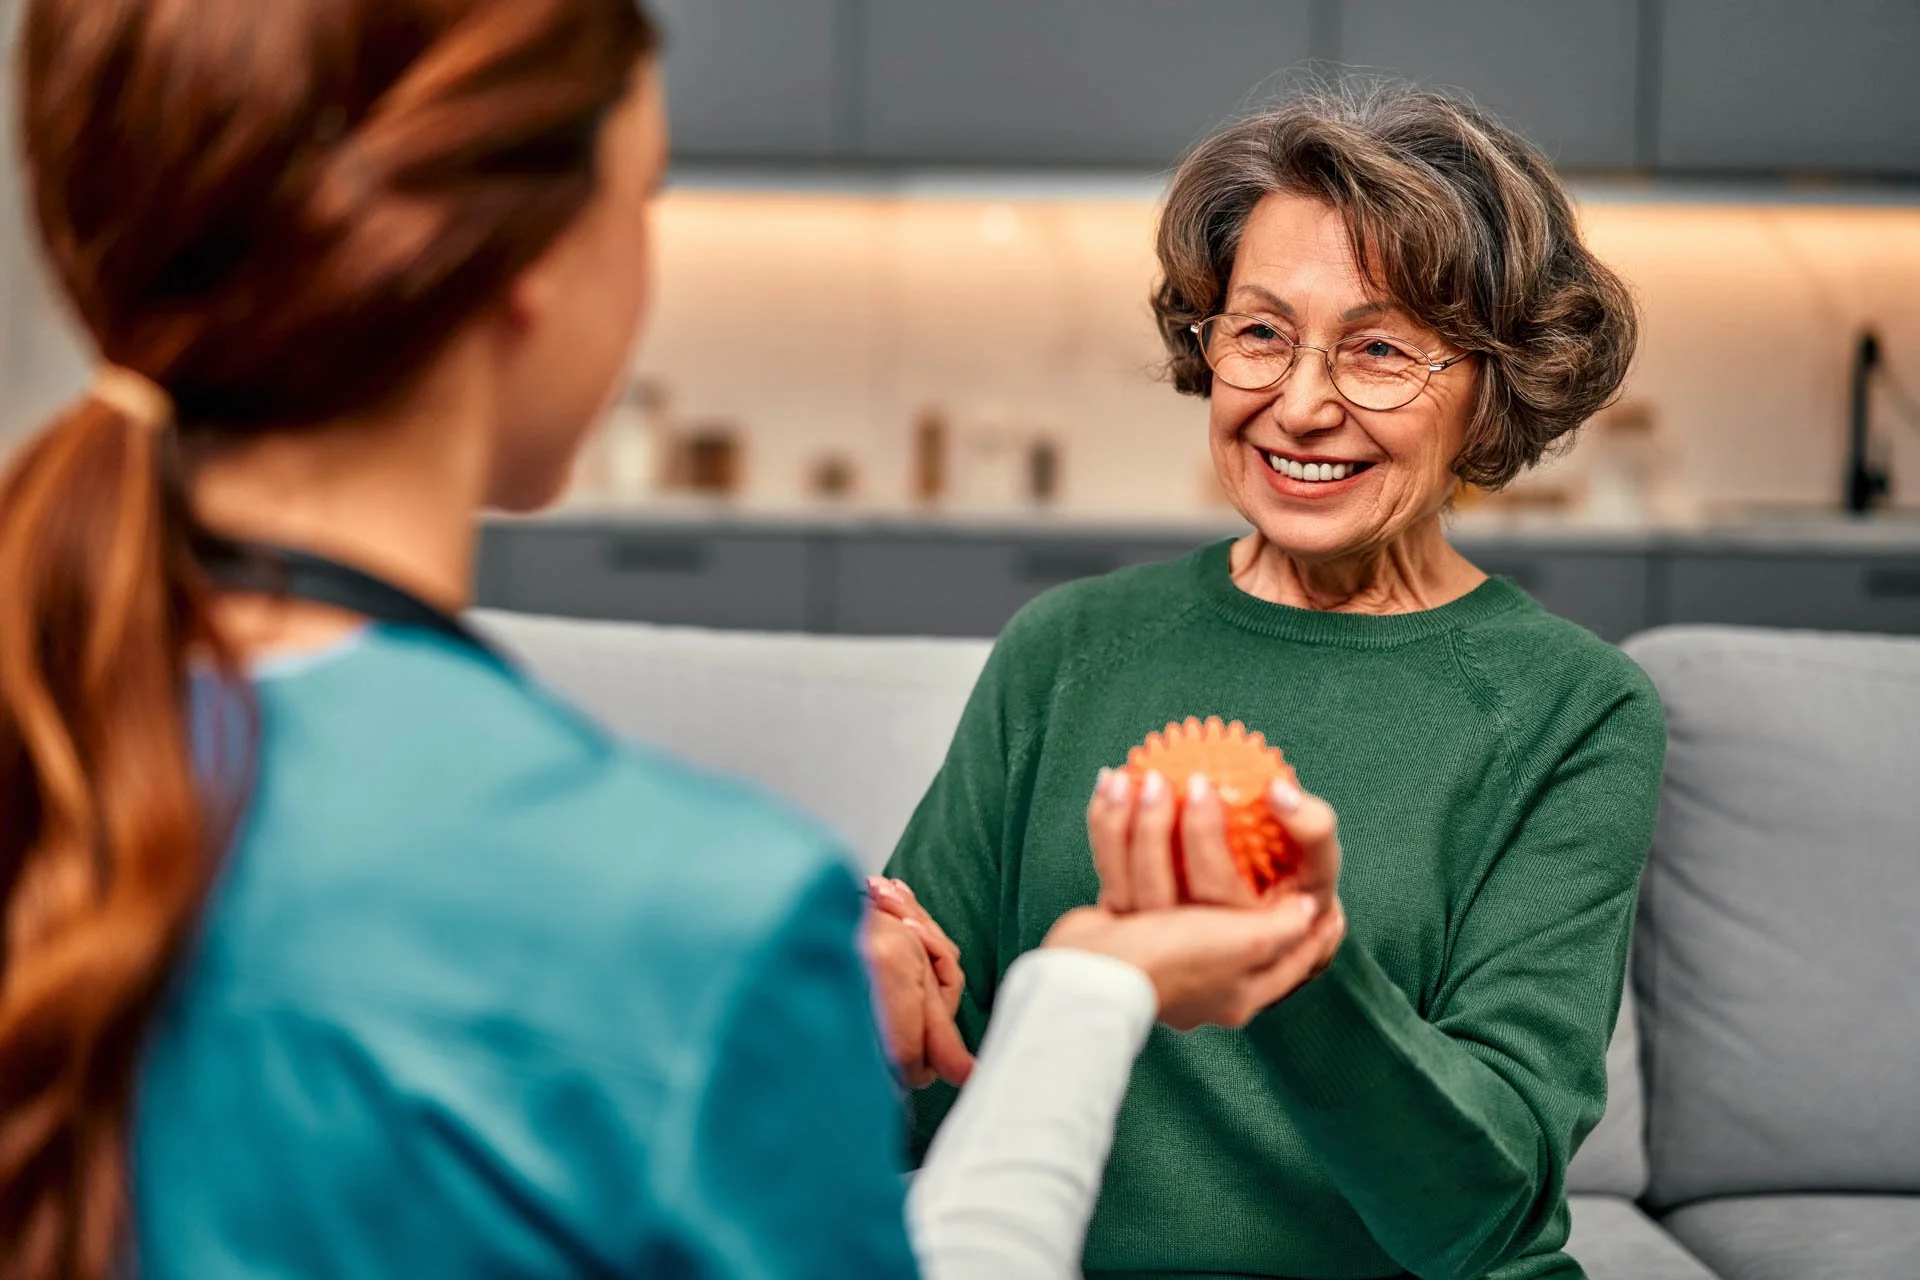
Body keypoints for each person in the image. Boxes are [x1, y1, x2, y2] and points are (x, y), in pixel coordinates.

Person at [0, 3, 1337, 1278]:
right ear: (525, 269)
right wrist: (1090, 988)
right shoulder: (702, 916)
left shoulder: (59, 736)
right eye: (641, 197)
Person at [888, 83, 1667, 1280]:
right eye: (1259, 332)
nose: (1301, 405)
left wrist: (1300, 960)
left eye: (1380, 349)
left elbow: (1484, 1212)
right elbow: (929, 1079)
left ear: (1493, 383)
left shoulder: (1573, 709)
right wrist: (858, 1012)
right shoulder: (1066, 645)